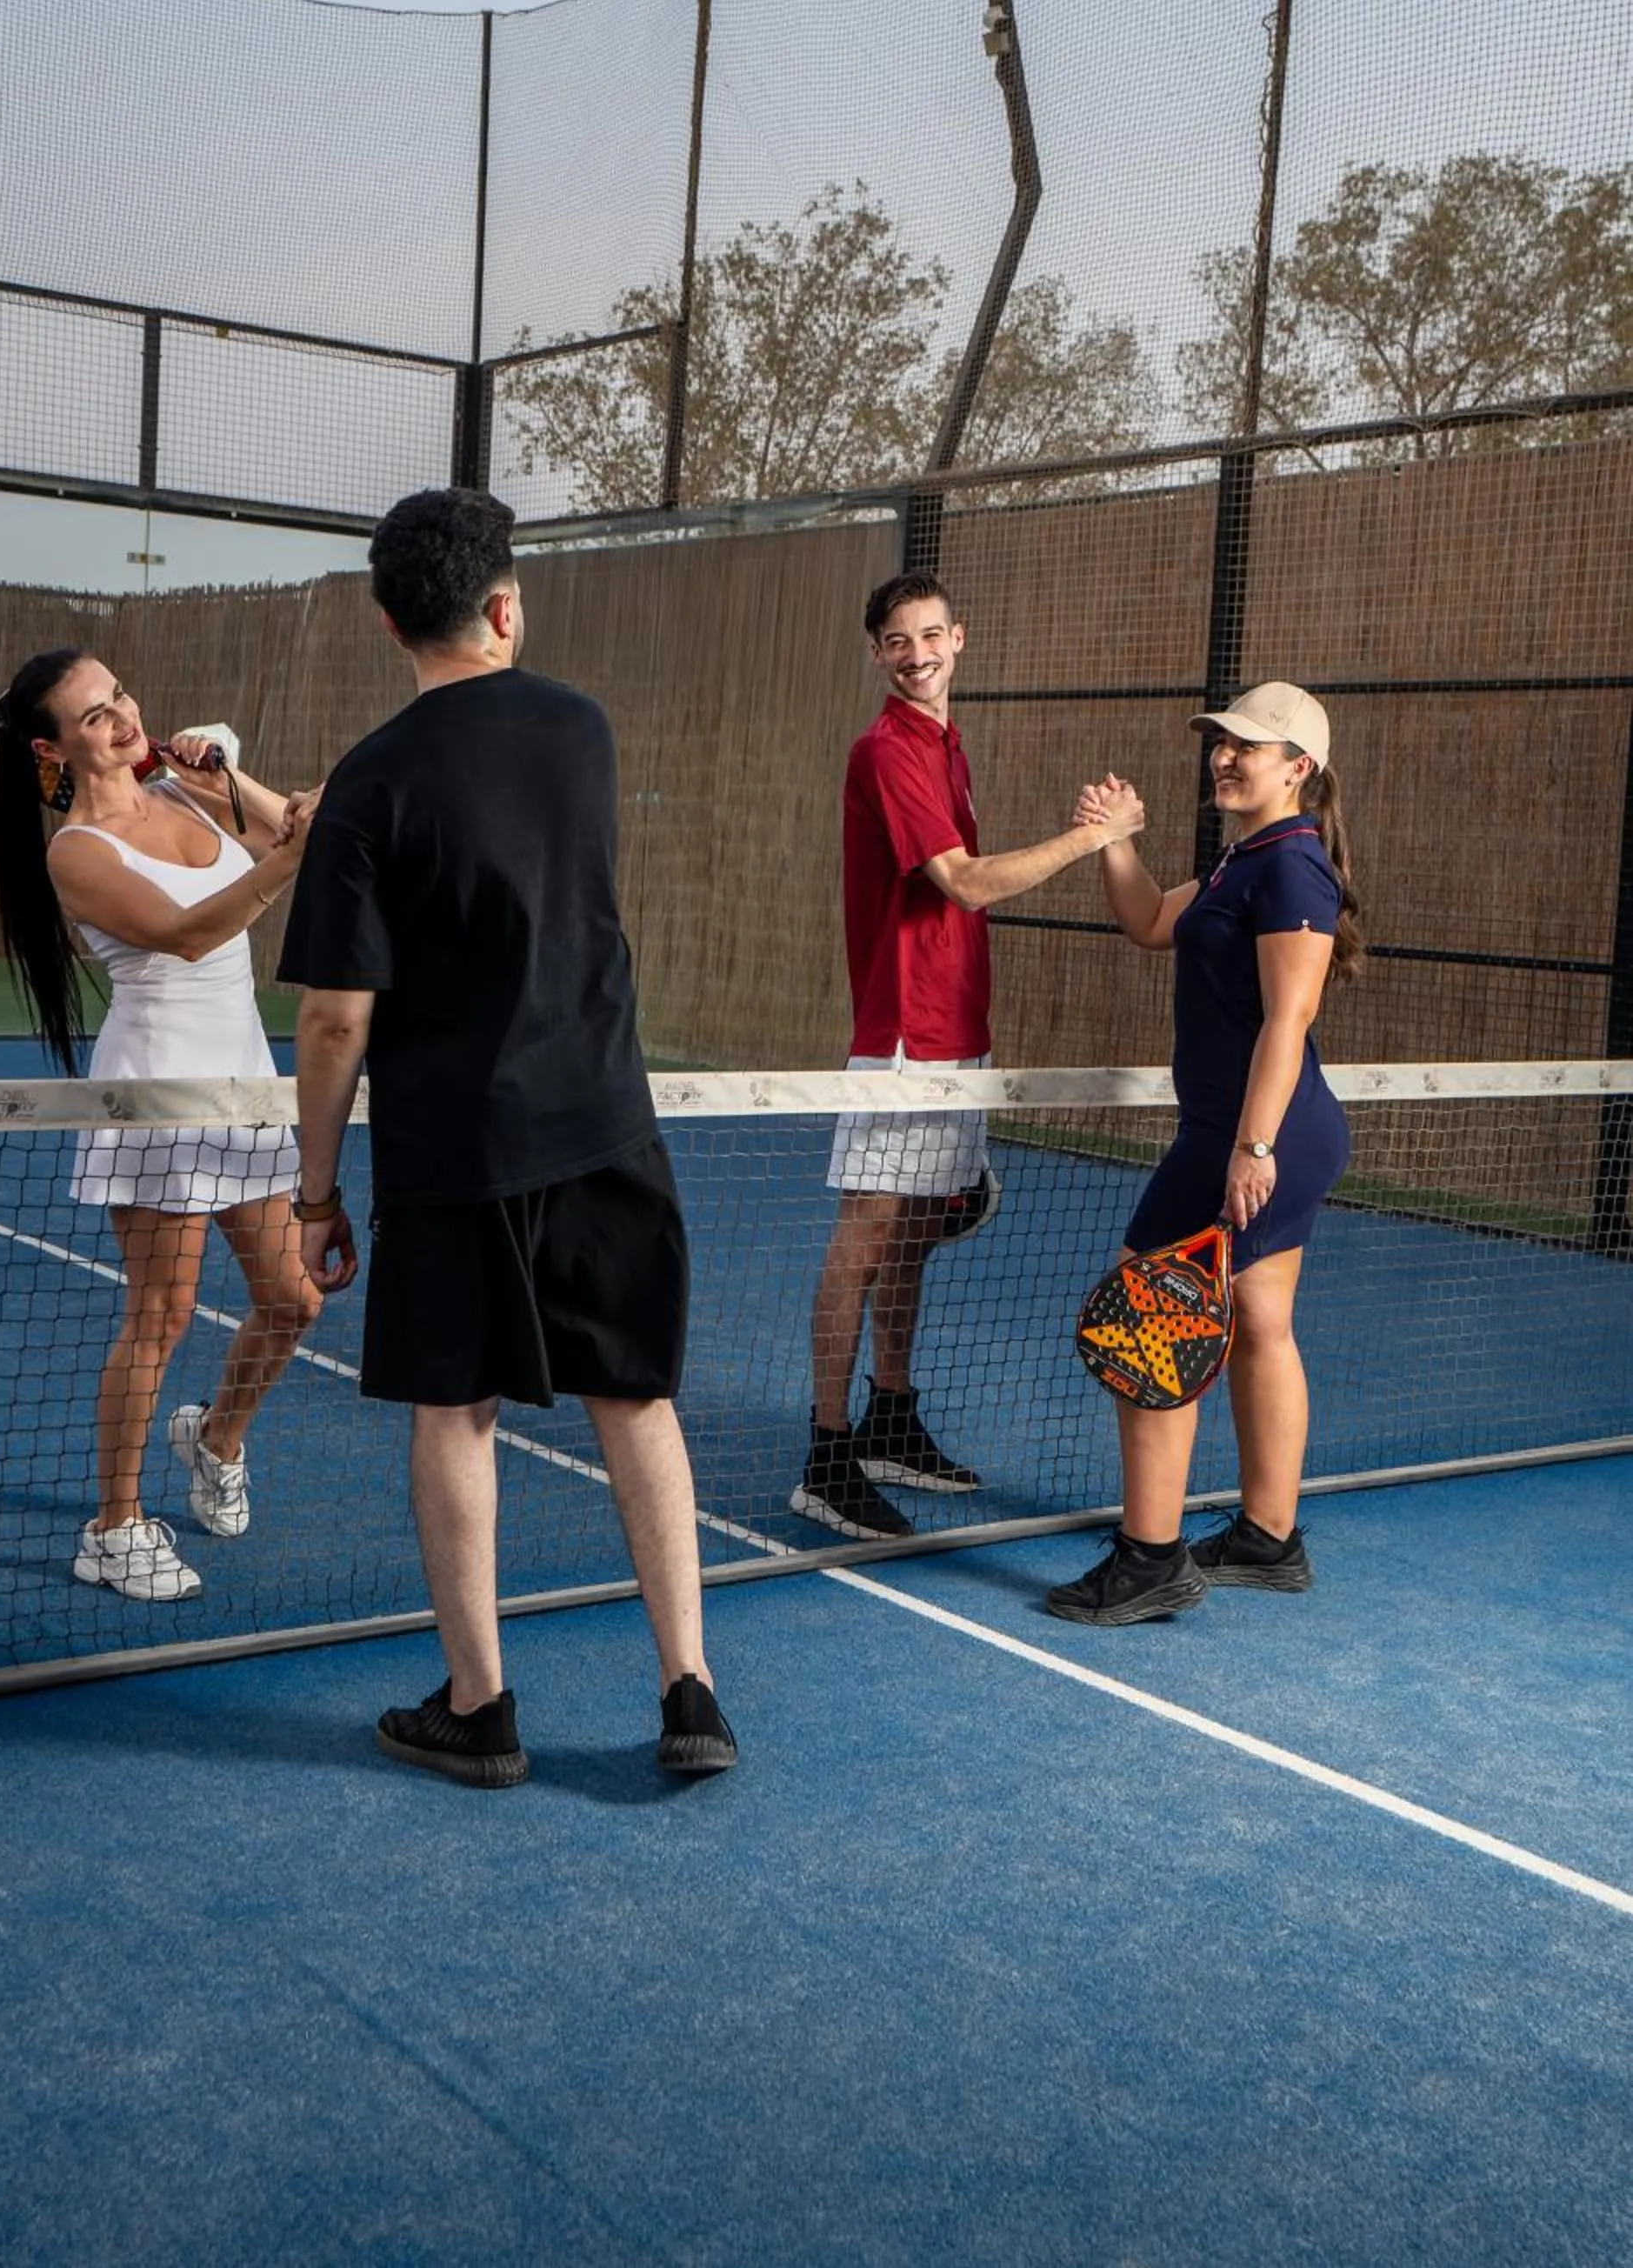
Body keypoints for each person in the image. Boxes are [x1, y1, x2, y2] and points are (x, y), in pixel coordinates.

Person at [278, 486, 736, 1790]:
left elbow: (333, 1019)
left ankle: (480, 1709)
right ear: (503, 606)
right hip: (603, 1123)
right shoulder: (581, 729)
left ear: (386, 623)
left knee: (455, 1412)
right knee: (634, 1401)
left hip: (452, 1150)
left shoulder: (368, 783)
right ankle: (690, 1691)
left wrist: (315, 1194)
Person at [794, 570, 1145, 1541]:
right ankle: (827, 1453)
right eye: (897, 641)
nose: (916, 655)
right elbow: (967, 885)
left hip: (959, 1034)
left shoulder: (946, 746)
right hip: (906, 1038)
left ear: (959, 639)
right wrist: (1091, 838)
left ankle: (889, 1418)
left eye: (930, 636)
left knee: (911, 1236)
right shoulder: (886, 751)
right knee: (866, 1239)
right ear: (877, 653)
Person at [0, 650, 323, 1604]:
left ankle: (215, 1437)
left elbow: (307, 831)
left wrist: (225, 777)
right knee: (162, 1314)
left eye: (121, 696)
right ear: (53, 751)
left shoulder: (185, 790)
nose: (123, 717)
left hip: (243, 1086)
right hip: (155, 1097)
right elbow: (189, 933)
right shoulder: (76, 853)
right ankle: (114, 1527)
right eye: (95, 716)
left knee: (294, 1301)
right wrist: (288, 856)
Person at [1046, 682, 1363, 1625]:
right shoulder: (1244, 859)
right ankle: (1268, 1538)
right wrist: (1113, 840)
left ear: (1298, 768)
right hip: (1249, 1131)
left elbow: (1288, 1019)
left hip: (1256, 1135)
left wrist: (1252, 1146)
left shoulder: (1292, 870)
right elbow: (1151, 921)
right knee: (1259, 1322)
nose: (1224, 756)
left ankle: (1150, 1560)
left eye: (1247, 746)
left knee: (1149, 1317)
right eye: (1221, 742)